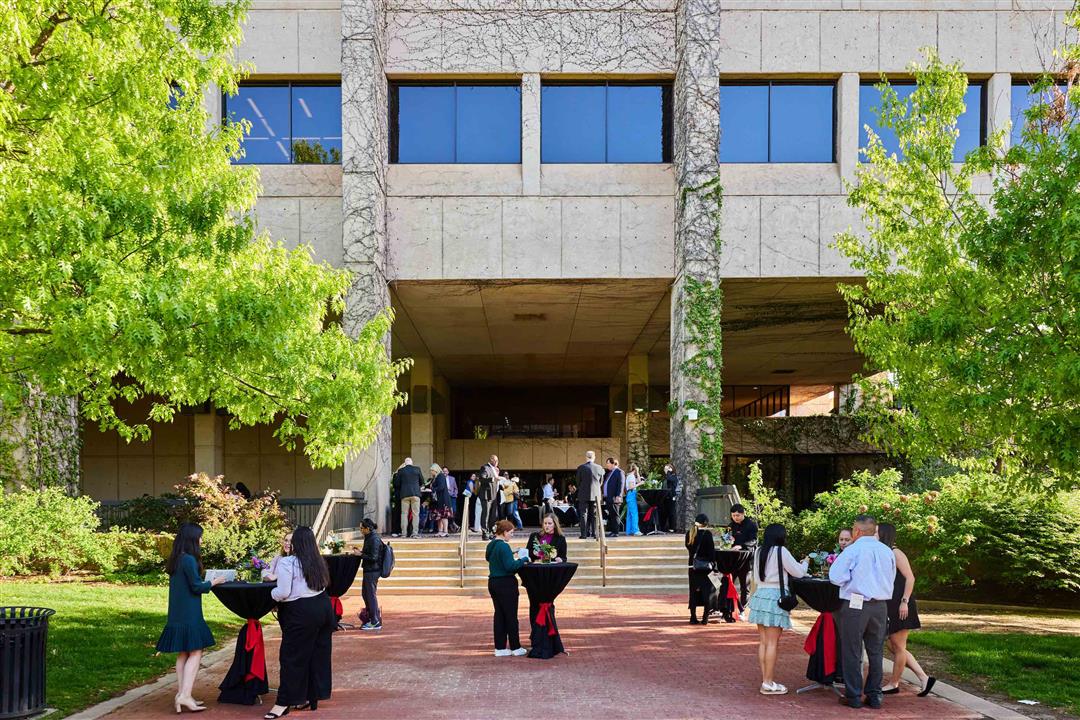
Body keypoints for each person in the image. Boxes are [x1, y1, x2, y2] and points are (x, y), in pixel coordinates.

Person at [263, 526, 335, 719]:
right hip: (323, 608)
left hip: (301, 613)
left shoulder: (288, 563)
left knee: (291, 658)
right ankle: (311, 696)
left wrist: (269, 594)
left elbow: (283, 592)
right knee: (316, 655)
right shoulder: (317, 561)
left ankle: (283, 702)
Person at [157, 523, 226, 714]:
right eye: (200, 537)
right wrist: (214, 581)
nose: (202, 541)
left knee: (183, 653)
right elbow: (197, 586)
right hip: (190, 612)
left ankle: (182, 694)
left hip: (177, 612)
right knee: (196, 651)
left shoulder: (176, 559)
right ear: (192, 539)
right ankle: (185, 695)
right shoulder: (189, 560)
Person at [829, 514, 897, 710]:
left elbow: (836, 576)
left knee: (852, 650)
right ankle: (874, 695)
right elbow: (891, 577)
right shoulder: (886, 551)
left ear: (857, 531)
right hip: (880, 606)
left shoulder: (853, 550)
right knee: (876, 651)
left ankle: (854, 695)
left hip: (856, 603)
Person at [748, 523, 808, 695]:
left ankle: (766, 680)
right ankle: (768, 682)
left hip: (760, 595)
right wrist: (805, 563)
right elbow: (798, 572)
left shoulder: (759, 550)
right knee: (773, 642)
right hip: (775, 597)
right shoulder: (781, 551)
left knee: (764, 642)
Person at [877, 523, 935, 698]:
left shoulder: (896, 552)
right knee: (893, 645)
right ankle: (924, 678)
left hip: (902, 604)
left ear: (884, 534)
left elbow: (910, 578)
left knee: (898, 645)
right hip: (891, 604)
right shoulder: (884, 553)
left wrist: (904, 601)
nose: (873, 534)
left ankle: (894, 683)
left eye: (876, 532)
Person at [485, 519, 528, 657]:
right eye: (511, 532)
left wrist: (511, 553)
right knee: (510, 616)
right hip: (506, 584)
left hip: (493, 583)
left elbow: (489, 558)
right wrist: (523, 560)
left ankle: (500, 647)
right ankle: (515, 647)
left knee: (499, 615)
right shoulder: (503, 547)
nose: (512, 535)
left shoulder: (492, 544)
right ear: (504, 532)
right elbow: (511, 567)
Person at [685, 514, 717, 625]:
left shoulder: (689, 533)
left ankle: (693, 617)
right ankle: (705, 618)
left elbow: (689, 549)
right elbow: (711, 552)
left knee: (693, 592)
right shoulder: (707, 534)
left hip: (693, 566)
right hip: (706, 567)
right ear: (706, 523)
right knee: (707, 592)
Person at [729, 503, 759, 607]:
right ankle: (727, 607)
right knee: (728, 583)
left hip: (746, 559)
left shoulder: (751, 525)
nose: (735, 518)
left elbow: (754, 541)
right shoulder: (731, 525)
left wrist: (741, 546)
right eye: (733, 516)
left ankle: (742, 608)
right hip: (733, 559)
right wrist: (728, 541)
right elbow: (727, 538)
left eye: (737, 515)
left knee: (744, 586)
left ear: (743, 514)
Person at [358, 519, 384, 631]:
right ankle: (371, 617)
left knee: (370, 595)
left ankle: (375, 621)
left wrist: (361, 554)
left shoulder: (374, 539)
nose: (360, 530)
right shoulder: (369, 537)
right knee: (365, 594)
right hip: (369, 570)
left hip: (373, 571)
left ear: (367, 528)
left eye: (361, 528)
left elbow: (373, 557)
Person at [393, 458, 424, 538]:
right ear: (412, 463)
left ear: (405, 463)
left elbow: (397, 484)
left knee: (404, 514)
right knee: (415, 514)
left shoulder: (401, 471)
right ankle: (415, 533)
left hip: (404, 495)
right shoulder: (417, 469)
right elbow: (422, 481)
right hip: (415, 494)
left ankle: (404, 533)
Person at [575, 451, 604, 539]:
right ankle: (595, 533)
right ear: (594, 457)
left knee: (583, 514)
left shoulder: (581, 468)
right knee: (594, 514)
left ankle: (584, 534)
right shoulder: (599, 467)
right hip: (596, 494)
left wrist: (583, 488)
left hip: (583, 493)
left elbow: (578, 481)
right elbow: (601, 482)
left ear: (586, 457)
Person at [430, 463, 453, 537]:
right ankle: (440, 531)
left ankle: (445, 531)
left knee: (444, 516)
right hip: (438, 500)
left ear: (435, 470)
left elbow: (441, 487)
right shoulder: (435, 477)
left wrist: (432, 489)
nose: (431, 472)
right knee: (438, 516)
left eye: (432, 470)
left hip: (443, 499)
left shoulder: (441, 476)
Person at [479, 455, 501, 533]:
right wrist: (493, 478)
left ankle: (491, 530)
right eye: (495, 460)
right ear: (491, 459)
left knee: (493, 515)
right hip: (486, 495)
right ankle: (485, 532)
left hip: (494, 495)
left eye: (497, 461)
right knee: (486, 514)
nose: (496, 462)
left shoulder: (495, 469)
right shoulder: (485, 467)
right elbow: (482, 479)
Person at [603, 457, 624, 537]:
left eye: (608, 463)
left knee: (615, 515)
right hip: (609, 497)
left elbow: (621, 484)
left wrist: (619, 495)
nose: (607, 465)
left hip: (615, 497)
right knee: (611, 515)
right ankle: (613, 531)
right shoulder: (610, 473)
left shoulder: (619, 472)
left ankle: (616, 532)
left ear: (613, 463)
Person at [663, 464, 681, 533]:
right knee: (665, 512)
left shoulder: (674, 477)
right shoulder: (668, 477)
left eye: (666, 469)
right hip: (666, 497)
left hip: (671, 497)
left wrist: (668, 471)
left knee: (672, 513)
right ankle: (665, 527)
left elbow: (669, 479)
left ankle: (672, 528)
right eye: (665, 469)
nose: (665, 471)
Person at [624, 464, 642, 536]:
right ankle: (635, 530)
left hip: (630, 495)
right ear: (634, 469)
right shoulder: (631, 476)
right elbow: (631, 487)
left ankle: (629, 530)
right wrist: (639, 484)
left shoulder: (630, 476)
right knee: (634, 513)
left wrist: (637, 473)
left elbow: (639, 480)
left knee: (629, 514)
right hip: (631, 494)